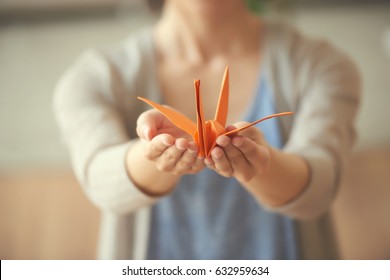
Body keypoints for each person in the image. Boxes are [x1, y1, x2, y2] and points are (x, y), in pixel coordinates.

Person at [54, 0, 360, 259]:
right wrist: (155, 153)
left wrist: (261, 163)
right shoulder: (94, 78)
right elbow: (101, 180)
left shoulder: (323, 67)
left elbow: (321, 185)